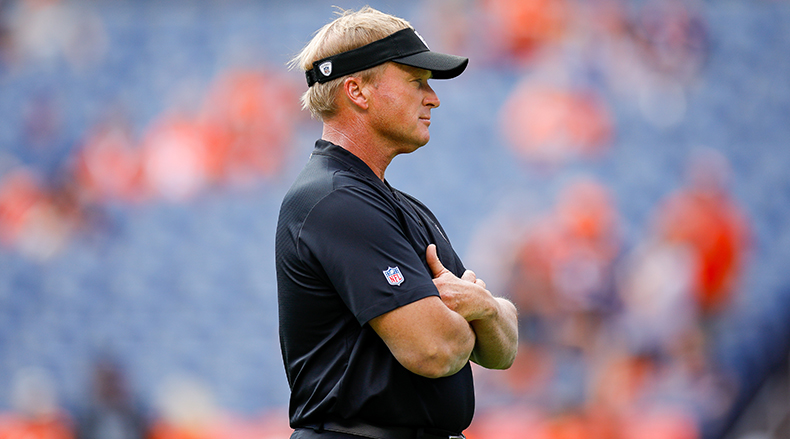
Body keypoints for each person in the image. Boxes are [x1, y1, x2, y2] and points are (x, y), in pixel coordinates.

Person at [275, 6, 519, 439]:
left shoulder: (397, 205)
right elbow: (435, 349)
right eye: (416, 80)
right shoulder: (334, 200)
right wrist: (472, 320)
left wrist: (483, 307)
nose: (433, 97)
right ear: (357, 91)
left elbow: (503, 350)